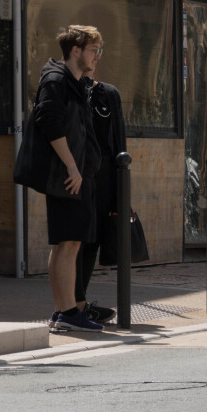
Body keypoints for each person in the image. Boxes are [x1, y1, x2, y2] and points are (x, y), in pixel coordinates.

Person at [36, 25, 104, 332]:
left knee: (71, 243)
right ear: (75, 50)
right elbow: (50, 124)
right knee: (66, 243)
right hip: (66, 177)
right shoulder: (55, 80)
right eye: (93, 50)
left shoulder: (76, 82)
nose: (97, 56)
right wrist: (73, 168)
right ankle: (65, 312)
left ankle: (64, 311)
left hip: (78, 176)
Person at [73, 56, 128, 325]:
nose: (94, 58)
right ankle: (73, 305)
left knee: (93, 240)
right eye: (89, 51)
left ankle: (79, 302)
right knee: (74, 239)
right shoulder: (64, 88)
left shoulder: (108, 94)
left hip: (104, 176)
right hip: (76, 173)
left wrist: (121, 191)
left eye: (98, 52)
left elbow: (119, 143)